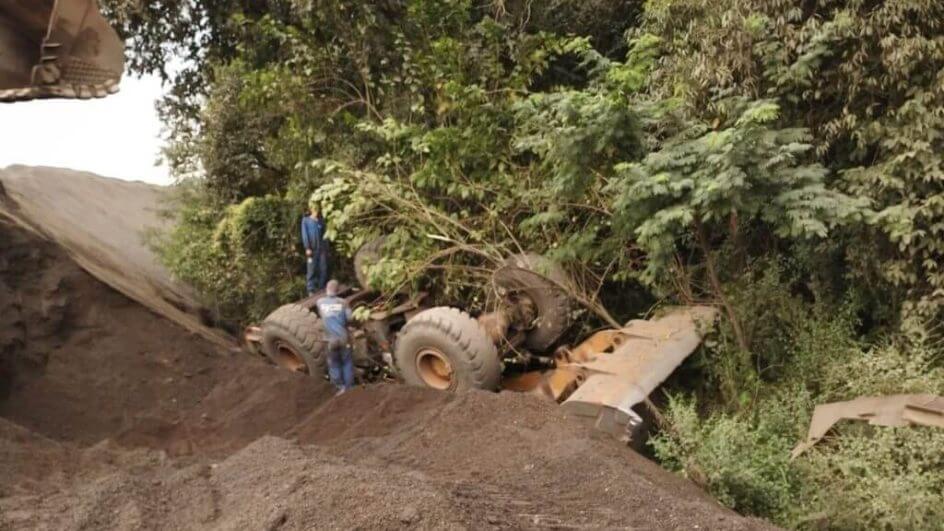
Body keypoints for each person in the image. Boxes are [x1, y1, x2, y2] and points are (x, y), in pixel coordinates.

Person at [315, 279, 354, 394]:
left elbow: (322, 315)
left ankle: (339, 388)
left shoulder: (319, 302)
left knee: (334, 364)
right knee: (347, 362)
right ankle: (350, 388)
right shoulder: (343, 302)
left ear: (327, 289)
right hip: (343, 338)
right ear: (338, 290)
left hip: (329, 340)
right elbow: (350, 319)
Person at [300, 204, 329, 295]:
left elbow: (325, 236)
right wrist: (307, 247)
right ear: (311, 210)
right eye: (314, 209)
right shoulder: (306, 220)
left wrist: (327, 249)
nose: (316, 211)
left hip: (322, 249)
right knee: (311, 269)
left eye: (317, 209)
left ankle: (321, 287)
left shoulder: (320, 221)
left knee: (323, 268)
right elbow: (305, 235)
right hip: (312, 249)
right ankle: (311, 289)